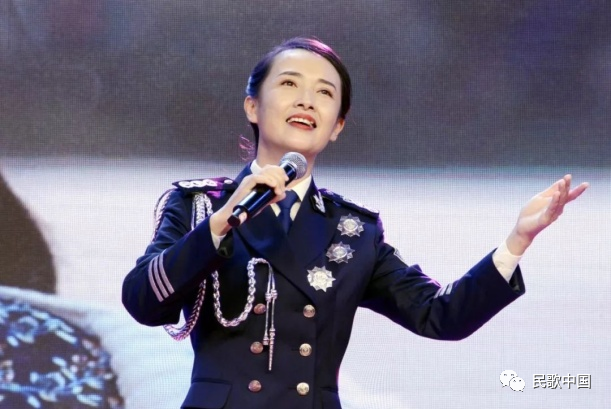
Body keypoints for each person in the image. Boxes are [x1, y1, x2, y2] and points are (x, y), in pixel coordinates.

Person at [122, 37, 588, 409]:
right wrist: (223, 222)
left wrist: (517, 240)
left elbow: (440, 315)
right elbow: (143, 300)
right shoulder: (200, 206)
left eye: (325, 93)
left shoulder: (354, 231)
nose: (307, 100)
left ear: (337, 126)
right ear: (252, 106)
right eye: (289, 84)